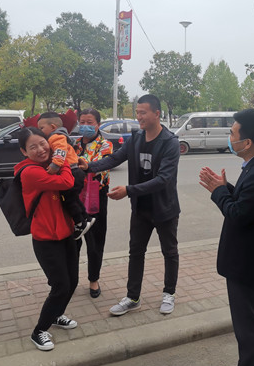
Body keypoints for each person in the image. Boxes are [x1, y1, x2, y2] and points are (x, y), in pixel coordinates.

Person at [199, 109, 254, 366]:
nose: (229, 137)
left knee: (251, 326)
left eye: (232, 133)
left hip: (249, 263)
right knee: (246, 324)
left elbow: (237, 214)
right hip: (247, 260)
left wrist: (218, 192)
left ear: (247, 142)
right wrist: (227, 188)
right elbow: (248, 204)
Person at [79, 94, 181, 315]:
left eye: (143, 112)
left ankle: (169, 293)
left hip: (165, 208)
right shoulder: (136, 138)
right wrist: (89, 167)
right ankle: (133, 297)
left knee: (170, 252)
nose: (139, 117)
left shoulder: (170, 143)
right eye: (137, 112)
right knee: (135, 252)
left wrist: (128, 190)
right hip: (141, 208)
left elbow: (163, 179)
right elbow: (114, 159)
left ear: (157, 113)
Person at [15, 127, 79, 351]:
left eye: (43, 143)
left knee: (72, 281)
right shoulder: (30, 172)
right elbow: (67, 182)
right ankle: (39, 331)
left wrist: (59, 160)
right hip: (45, 238)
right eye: (33, 147)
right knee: (61, 285)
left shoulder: (48, 165)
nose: (41, 149)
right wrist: (64, 160)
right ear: (24, 152)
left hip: (65, 232)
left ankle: (57, 315)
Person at [73, 108, 113, 298]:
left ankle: (93, 279)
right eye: (82, 122)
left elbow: (100, 168)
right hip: (74, 196)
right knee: (72, 240)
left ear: (98, 124)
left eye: (90, 122)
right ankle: (71, 279)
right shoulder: (74, 144)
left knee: (95, 240)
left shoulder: (105, 145)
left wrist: (82, 166)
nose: (85, 126)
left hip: (95, 195)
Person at [37, 112, 94, 240]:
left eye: (41, 128)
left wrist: (55, 165)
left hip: (72, 172)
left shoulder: (55, 137)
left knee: (68, 200)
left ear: (52, 127)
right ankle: (86, 218)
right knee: (73, 198)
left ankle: (80, 223)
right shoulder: (62, 136)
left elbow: (60, 151)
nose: (40, 131)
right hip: (76, 172)